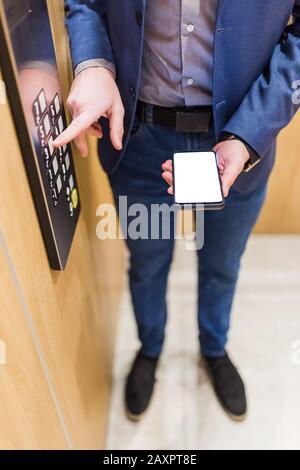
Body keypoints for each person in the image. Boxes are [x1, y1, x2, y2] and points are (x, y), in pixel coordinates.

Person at [54, 0, 300, 421]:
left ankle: (214, 348)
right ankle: (150, 348)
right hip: (138, 138)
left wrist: (250, 134)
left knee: (222, 264)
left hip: (240, 136)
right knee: (147, 263)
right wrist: (93, 62)